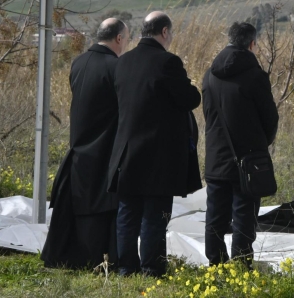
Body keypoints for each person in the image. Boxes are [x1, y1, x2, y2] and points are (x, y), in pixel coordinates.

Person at [108, 11, 202, 277]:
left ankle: (126, 267)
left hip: (126, 151)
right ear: (164, 32)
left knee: (127, 212)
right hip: (158, 154)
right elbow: (190, 98)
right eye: (170, 33)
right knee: (154, 214)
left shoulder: (122, 62)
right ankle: (152, 268)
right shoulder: (168, 62)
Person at [41, 18, 130, 269]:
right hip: (105, 144)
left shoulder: (79, 62)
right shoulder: (116, 66)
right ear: (119, 39)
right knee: (100, 210)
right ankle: (98, 258)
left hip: (79, 143)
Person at [202, 22, 279, 269]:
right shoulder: (256, 76)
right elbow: (270, 118)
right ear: (252, 44)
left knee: (215, 216)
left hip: (216, 157)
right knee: (244, 217)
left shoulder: (209, 75)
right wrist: (260, 144)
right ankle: (241, 267)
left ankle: (216, 264)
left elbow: (208, 114)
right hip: (249, 159)